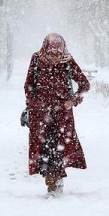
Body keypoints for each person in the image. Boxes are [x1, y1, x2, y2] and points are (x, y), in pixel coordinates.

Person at [24, 32, 90, 197]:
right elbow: (28, 85)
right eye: (52, 53)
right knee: (44, 150)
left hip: (62, 116)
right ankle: (52, 183)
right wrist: (33, 104)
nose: (55, 57)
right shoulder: (37, 59)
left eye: (58, 54)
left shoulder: (67, 62)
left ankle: (54, 185)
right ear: (46, 49)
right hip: (40, 116)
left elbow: (84, 84)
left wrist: (73, 101)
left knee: (58, 150)